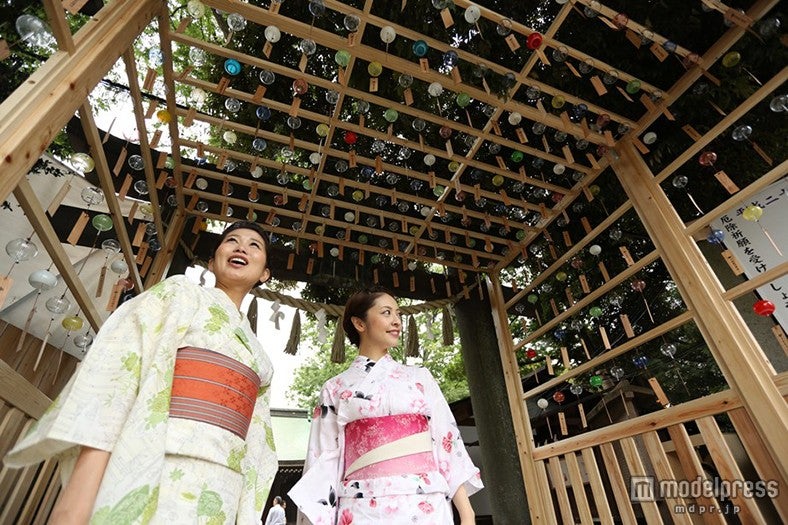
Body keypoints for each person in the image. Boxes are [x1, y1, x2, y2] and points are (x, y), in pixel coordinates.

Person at [5, 220, 278, 524]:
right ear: (212, 262)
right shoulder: (178, 294)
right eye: (232, 241)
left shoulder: (260, 356)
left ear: (265, 273)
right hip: (157, 459)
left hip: (224, 482)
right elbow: (119, 377)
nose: (241, 247)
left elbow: (258, 442)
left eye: (255, 245)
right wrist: (78, 499)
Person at [289, 288, 483, 524]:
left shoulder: (420, 378)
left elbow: (447, 442)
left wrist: (467, 513)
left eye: (398, 314)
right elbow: (322, 457)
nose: (396, 321)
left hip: (426, 504)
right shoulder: (336, 387)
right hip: (361, 507)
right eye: (386, 312)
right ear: (360, 323)